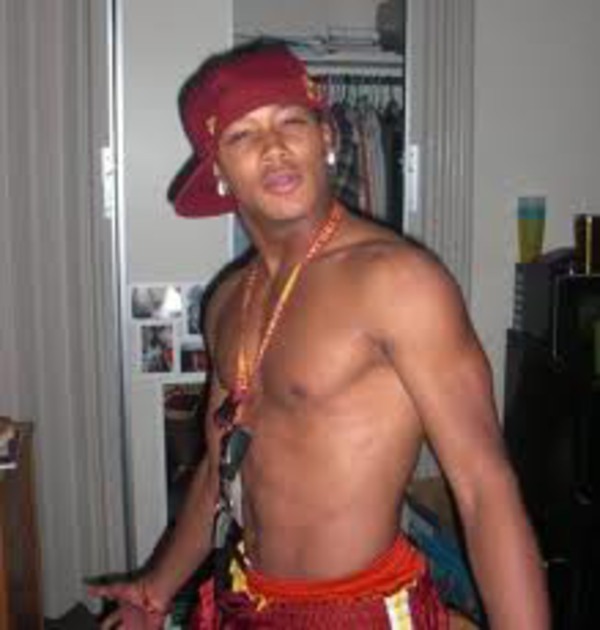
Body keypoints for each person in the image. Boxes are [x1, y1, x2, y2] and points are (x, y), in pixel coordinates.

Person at [90, 40, 550, 629]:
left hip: (360, 610)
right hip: (244, 601)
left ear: (326, 138)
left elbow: (484, 485)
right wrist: (155, 591)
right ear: (219, 172)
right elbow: (219, 469)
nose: (274, 147)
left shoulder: (397, 281)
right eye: (242, 135)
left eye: (292, 122)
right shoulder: (228, 300)